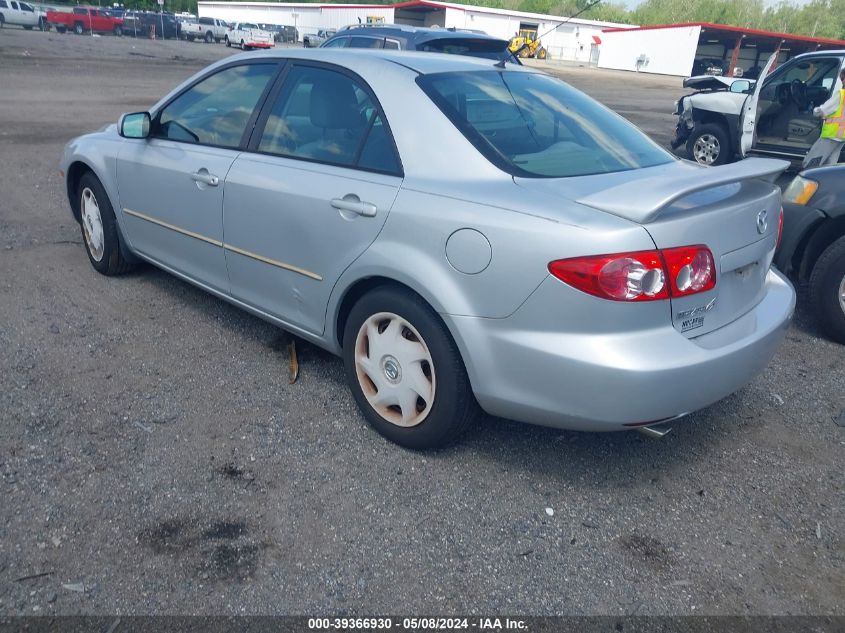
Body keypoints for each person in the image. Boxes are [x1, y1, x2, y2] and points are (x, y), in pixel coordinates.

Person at [802, 68, 845, 168]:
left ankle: (807, 177)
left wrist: (815, 110)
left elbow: (824, 110)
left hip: (832, 133)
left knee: (814, 159)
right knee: (831, 161)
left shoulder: (841, 94)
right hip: (842, 135)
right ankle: (827, 179)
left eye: (841, 78)